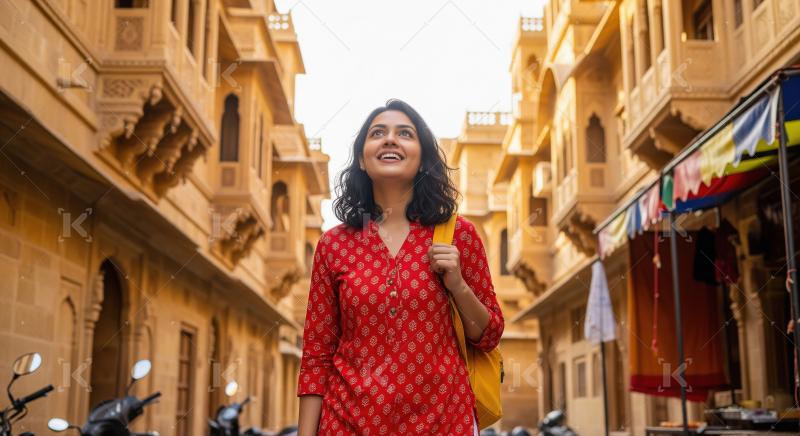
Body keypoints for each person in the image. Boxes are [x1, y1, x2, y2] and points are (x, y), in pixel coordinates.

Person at [296, 99, 504, 435]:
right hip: (348, 424)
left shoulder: (458, 235)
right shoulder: (334, 245)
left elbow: (489, 334)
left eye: (404, 133)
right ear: (363, 160)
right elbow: (317, 355)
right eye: (378, 133)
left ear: (423, 159)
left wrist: (458, 284)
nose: (390, 139)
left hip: (443, 423)